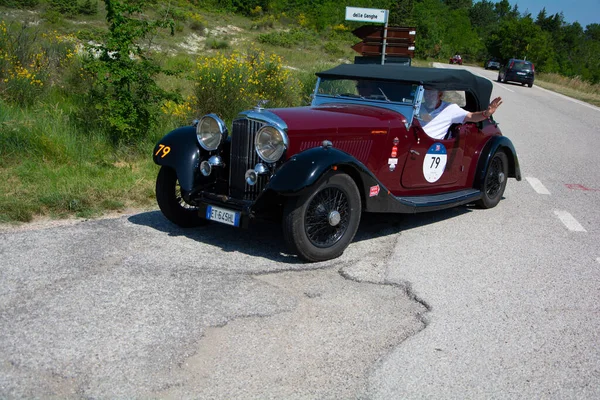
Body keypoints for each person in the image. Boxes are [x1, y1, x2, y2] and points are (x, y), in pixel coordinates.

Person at [419, 88, 503, 139]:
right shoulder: (418, 107)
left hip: (432, 147)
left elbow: (471, 116)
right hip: (415, 140)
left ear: (439, 94)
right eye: (426, 93)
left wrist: (486, 113)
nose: (428, 97)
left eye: (431, 94)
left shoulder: (450, 108)